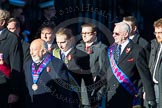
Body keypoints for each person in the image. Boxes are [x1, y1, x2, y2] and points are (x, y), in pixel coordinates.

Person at [106, 22, 156, 108]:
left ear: (125, 34)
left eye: (116, 33)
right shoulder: (111, 50)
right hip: (112, 95)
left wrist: (151, 98)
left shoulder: (137, 50)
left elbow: (145, 75)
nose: (113, 35)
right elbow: (105, 71)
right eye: (113, 33)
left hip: (129, 96)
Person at [24, 38, 79, 108]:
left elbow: (64, 92)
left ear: (43, 51)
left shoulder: (57, 64)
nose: (31, 53)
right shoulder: (28, 65)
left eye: (34, 50)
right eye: (30, 50)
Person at [53, 28, 93, 107]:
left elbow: (88, 80)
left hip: (72, 96)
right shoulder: (54, 53)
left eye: (63, 42)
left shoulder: (81, 55)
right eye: (57, 42)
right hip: (55, 95)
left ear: (71, 39)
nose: (60, 45)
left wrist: (88, 102)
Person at [76, 23, 107, 107]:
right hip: (77, 92)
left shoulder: (101, 49)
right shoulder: (78, 47)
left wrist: (99, 94)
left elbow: (103, 73)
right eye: (83, 33)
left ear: (94, 33)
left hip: (91, 93)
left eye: (87, 33)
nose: (84, 35)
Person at [0, 9, 22, 108]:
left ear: (2, 22)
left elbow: (16, 66)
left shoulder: (12, 39)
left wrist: (14, 91)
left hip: (4, 88)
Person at [148, 18, 162, 108]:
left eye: (160, 32)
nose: (157, 35)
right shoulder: (155, 45)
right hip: (153, 86)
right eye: (155, 33)